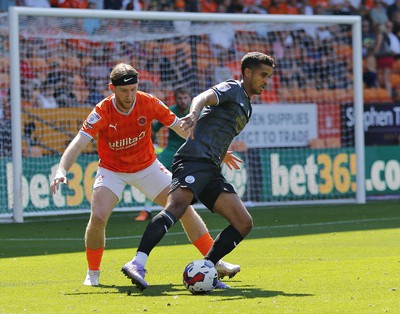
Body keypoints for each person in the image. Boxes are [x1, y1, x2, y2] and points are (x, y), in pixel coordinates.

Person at [49, 63, 241, 288]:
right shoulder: (101, 111)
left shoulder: (148, 102)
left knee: (184, 208)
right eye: (123, 91)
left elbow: (180, 128)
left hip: (148, 167)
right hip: (112, 171)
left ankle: (215, 261)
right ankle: (93, 273)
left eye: (133, 89)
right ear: (112, 88)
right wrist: (62, 170)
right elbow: (78, 143)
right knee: (98, 217)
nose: (129, 95)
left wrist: (216, 150)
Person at [121, 52, 275, 291]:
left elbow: (215, 127)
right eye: (263, 75)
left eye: (269, 76)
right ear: (247, 73)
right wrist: (193, 113)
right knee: (177, 207)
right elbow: (203, 97)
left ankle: (207, 269)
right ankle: (137, 263)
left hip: (210, 166)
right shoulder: (232, 88)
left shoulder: (247, 105)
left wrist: (222, 152)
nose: (266, 81)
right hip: (193, 159)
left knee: (243, 222)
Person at [135, 87, 191, 221]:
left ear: (189, 98)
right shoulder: (170, 111)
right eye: (180, 98)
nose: (183, 101)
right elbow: (153, 129)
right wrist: (150, 145)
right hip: (171, 151)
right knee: (153, 176)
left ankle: (184, 208)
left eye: (185, 98)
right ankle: (147, 210)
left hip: (190, 151)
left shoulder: (195, 112)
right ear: (175, 99)